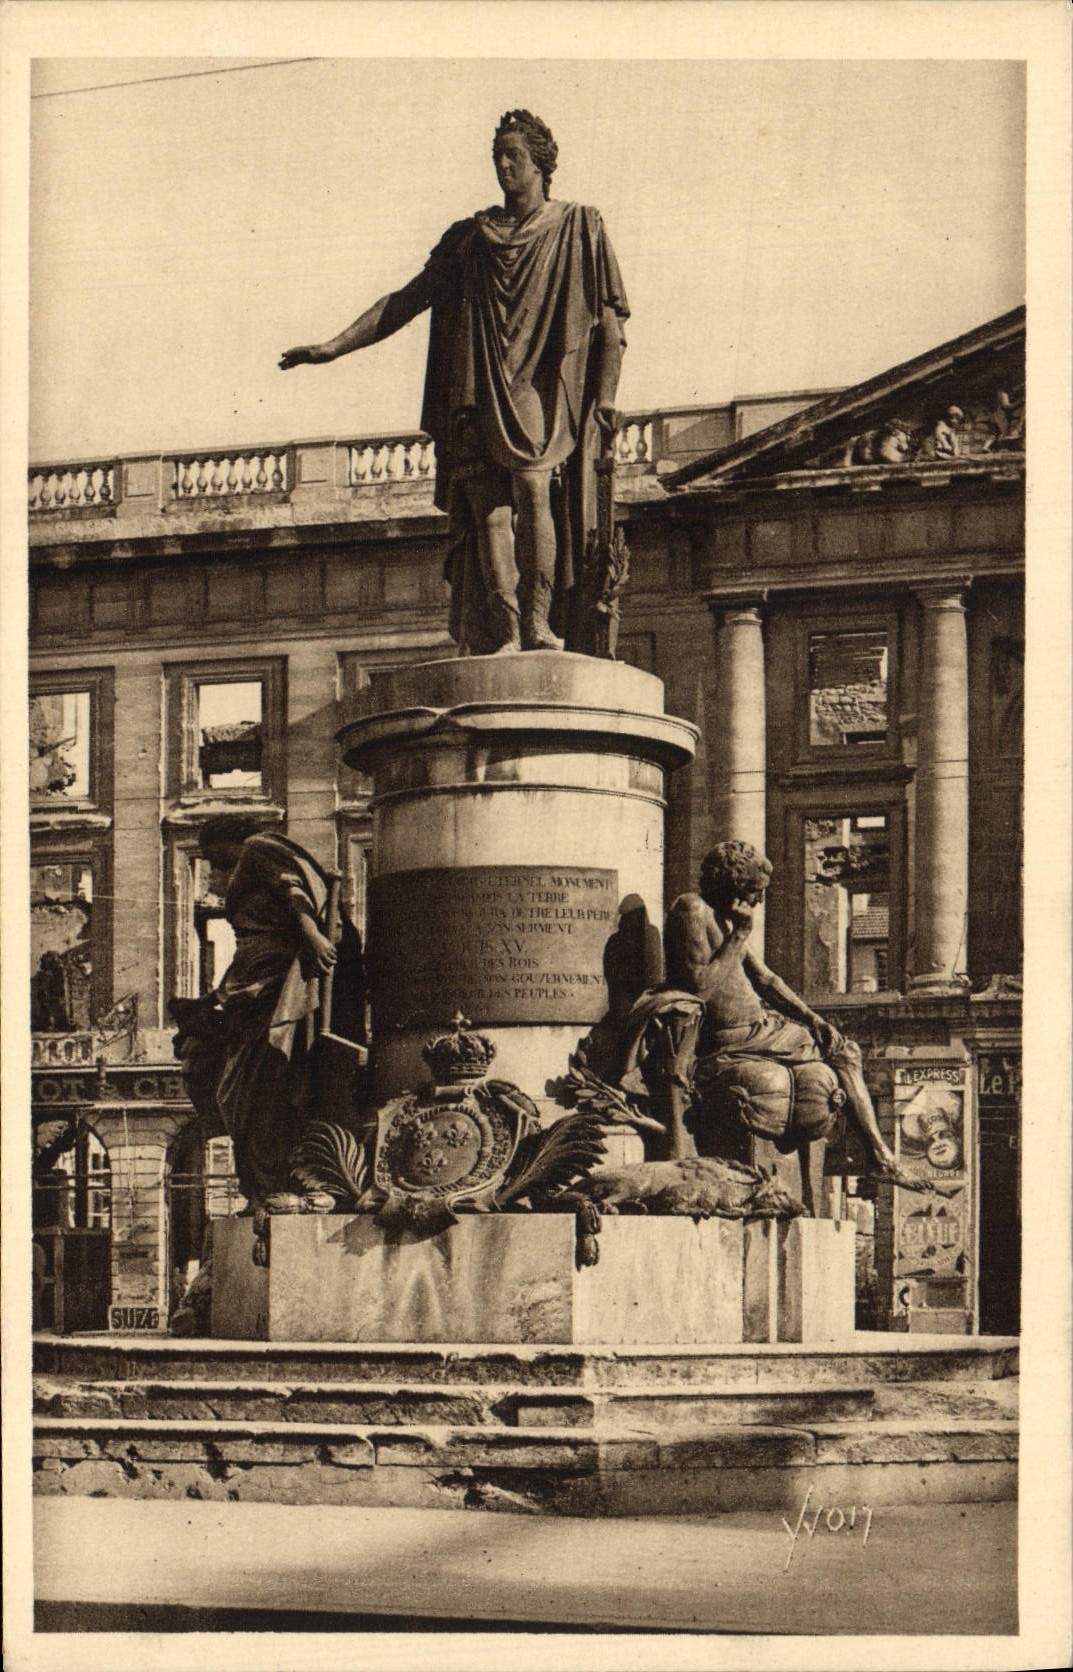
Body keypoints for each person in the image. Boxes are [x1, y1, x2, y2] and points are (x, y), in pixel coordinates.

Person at [280, 110, 629, 655]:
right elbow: (405, 300)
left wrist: (605, 395)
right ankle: (508, 631)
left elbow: (610, 324)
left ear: (541, 163)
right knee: (489, 509)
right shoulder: (469, 237)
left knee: (534, 487)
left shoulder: (578, 226)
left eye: (514, 155)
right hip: (475, 384)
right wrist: (333, 346)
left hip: (533, 384)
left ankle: (539, 621)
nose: (503, 165)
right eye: (497, 156)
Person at [622, 840, 922, 1187]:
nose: (758, 901)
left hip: (764, 1029)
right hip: (732, 1038)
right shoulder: (691, 911)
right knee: (845, 1055)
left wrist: (813, 1019)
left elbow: (765, 980)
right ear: (731, 883)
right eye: (753, 891)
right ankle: (879, 1156)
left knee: (843, 1049)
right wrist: (740, 935)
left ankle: (878, 1157)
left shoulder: (721, 916)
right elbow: (700, 987)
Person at [175, 818, 366, 1209]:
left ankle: (275, 1183)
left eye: (212, 858)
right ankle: (261, 1186)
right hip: (253, 987)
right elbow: (249, 950)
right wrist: (214, 996)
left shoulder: (257, 848)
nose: (212, 869)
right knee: (237, 1096)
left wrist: (312, 934)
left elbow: (293, 889)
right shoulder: (245, 874)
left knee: (266, 1090)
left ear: (229, 840)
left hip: (279, 987)